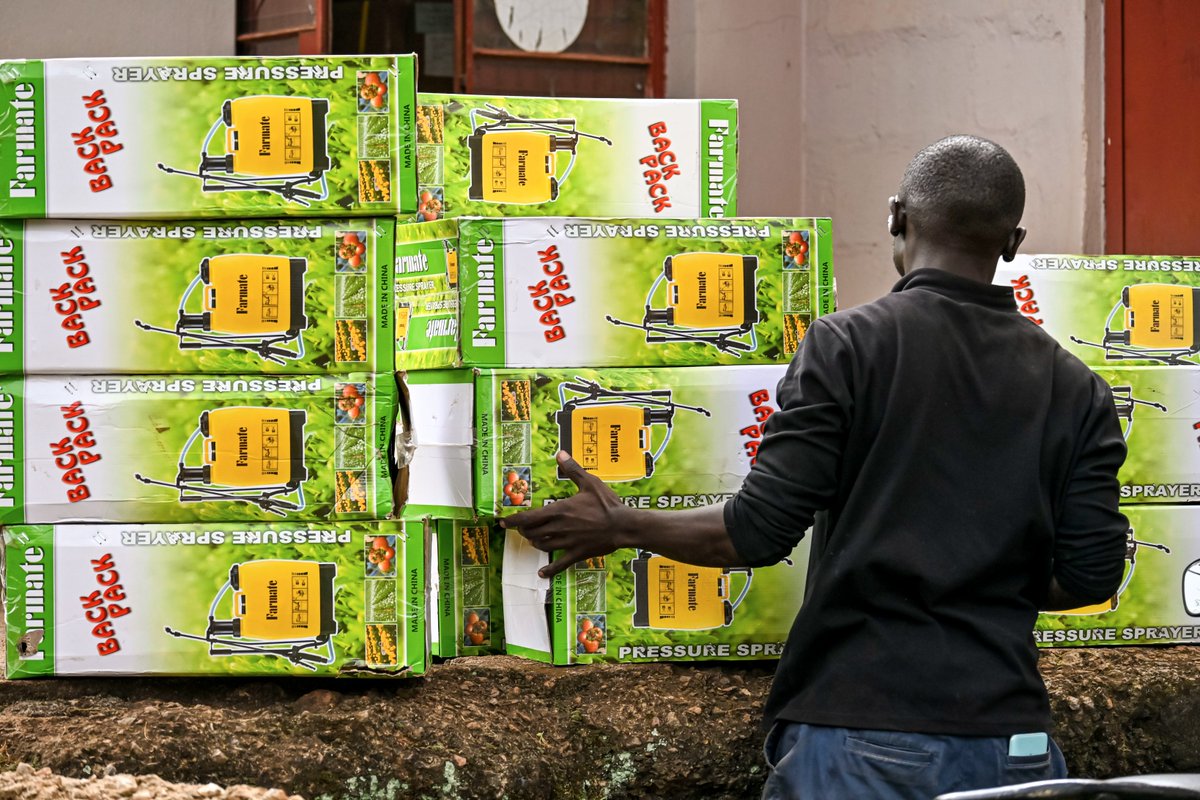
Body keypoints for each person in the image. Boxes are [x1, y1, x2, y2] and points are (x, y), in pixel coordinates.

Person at [501, 135, 1129, 799]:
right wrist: (981, 576)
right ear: (1012, 241)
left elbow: (757, 533)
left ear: (897, 218)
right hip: (1016, 749)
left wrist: (620, 524)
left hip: (863, 738)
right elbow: (1092, 575)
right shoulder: (1078, 387)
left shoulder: (849, 346)